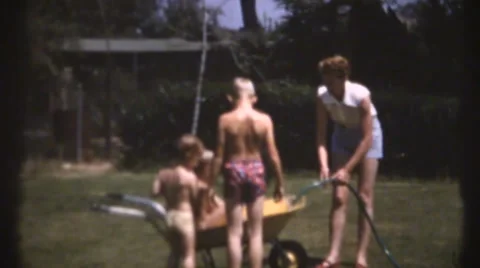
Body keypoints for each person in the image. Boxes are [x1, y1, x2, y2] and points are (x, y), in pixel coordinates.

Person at [315, 55, 383, 268]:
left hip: (368, 138)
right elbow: (320, 136)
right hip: (341, 137)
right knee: (339, 197)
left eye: (329, 78)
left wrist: (347, 169)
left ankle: (361, 258)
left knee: (364, 196)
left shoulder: (361, 95)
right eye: (323, 77)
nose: (325, 82)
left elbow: (367, 138)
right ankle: (333, 256)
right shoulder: (322, 96)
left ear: (341, 76)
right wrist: (324, 165)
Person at [210, 77, 285, 268]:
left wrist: (209, 184)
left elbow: (219, 155)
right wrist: (280, 182)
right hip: (256, 169)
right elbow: (273, 154)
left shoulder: (225, 120)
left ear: (231, 98)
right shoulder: (264, 120)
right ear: (254, 98)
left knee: (234, 232)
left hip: (233, 169)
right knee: (256, 231)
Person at [151, 134, 206, 268]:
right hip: (185, 217)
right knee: (188, 255)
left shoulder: (163, 173)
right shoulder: (190, 177)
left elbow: (154, 192)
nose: (198, 162)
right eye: (197, 157)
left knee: (175, 252)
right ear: (190, 156)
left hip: (170, 217)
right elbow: (195, 199)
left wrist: (166, 191)